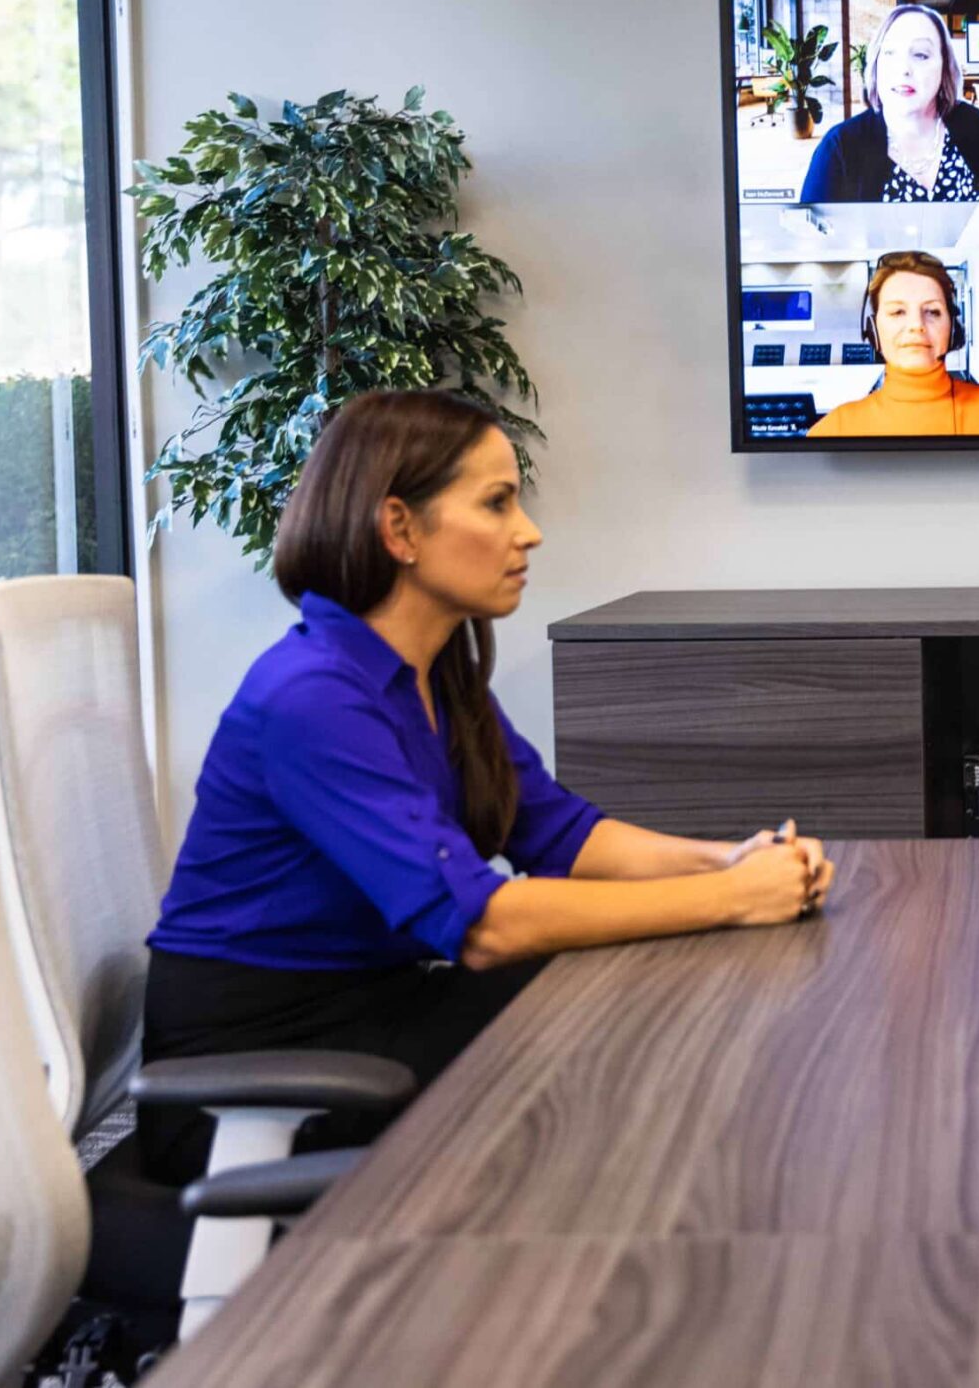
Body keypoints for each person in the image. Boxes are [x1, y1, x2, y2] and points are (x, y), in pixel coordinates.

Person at [141, 390, 834, 1182]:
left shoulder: (437, 676)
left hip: (371, 1007)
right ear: (400, 527)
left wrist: (730, 862)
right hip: (255, 1077)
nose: (528, 532)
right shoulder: (313, 696)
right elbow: (483, 926)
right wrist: (733, 901)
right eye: (498, 504)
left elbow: (561, 835)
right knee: (619, 1064)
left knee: (642, 1004)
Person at [799, 3, 979, 203]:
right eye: (890, 53)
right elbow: (812, 246)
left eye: (921, 55)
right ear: (875, 64)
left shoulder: (973, 125)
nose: (903, 69)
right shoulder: (839, 146)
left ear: (944, 65)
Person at [806, 250, 979, 437]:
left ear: (952, 327)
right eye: (898, 312)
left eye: (932, 311)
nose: (916, 325)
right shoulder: (833, 431)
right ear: (873, 328)